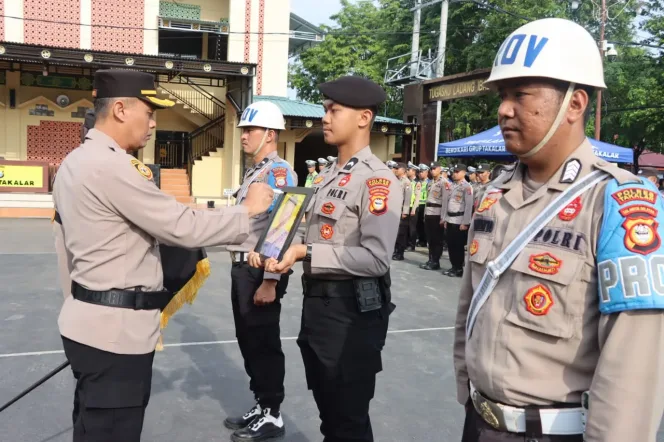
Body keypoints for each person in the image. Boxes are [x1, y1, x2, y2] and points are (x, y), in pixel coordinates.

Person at [454, 18, 664, 442]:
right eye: (502, 95)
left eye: (520, 94)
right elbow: (470, 302)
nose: (504, 109)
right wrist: (466, 386)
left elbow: (633, 365)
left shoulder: (620, 204)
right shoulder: (496, 193)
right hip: (479, 424)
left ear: (575, 103)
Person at [52, 69, 275, 442]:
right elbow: (180, 225)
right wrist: (247, 212)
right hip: (115, 334)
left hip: (88, 320)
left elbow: (63, 246)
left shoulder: (75, 161)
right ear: (120, 109)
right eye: (149, 112)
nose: (153, 122)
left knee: (92, 427)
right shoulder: (111, 167)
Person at [250, 75, 400, 442]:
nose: (325, 118)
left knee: (347, 419)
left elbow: (376, 259)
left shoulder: (377, 180)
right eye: (325, 110)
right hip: (318, 307)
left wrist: (306, 252)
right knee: (329, 414)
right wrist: (275, 253)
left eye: (334, 110)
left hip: (352, 314)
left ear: (364, 118)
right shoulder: (327, 177)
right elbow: (301, 229)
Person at [223, 101, 297, 442]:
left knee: (263, 342)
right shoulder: (255, 171)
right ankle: (261, 401)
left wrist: (270, 281)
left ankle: (273, 413)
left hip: (261, 272)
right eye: (243, 130)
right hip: (243, 268)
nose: (244, 135)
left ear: (270, 134)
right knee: (247, 339)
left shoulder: (279, 172)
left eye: (250, 130)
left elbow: (284, 228)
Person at [441, 163, 473, 277]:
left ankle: (458, 268)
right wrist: (445, 219)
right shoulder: (452, 186)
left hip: (459, 220)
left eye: (457, 172)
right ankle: (453, 266)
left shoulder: (467, 187)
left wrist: (465, 222)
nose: (454, 174)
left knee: (458, 246)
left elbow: (469, 206)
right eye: (454, 171)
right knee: (451, 245)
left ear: (464, 173)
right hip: (450, 219)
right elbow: (447, 203)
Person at [420, 162, 448, 270]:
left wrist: (443, 217)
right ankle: (430, 259)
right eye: (431, 168)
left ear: (440, 169)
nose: (432, 170)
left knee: (437, 239)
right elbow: (427, 200)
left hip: (437, 213)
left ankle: (436, 261)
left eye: (434, 168)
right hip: (429, 213)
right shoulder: (430, 182)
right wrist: (424, 214)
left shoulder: (444, 183)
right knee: (430, 239)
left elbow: (445, 201)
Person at [392, 162, 412, 260]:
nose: (396, 170)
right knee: (395, 232)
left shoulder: (406, 182)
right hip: (395, 210)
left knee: (401, 233)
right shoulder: (396, 180)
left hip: (401, 211)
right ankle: (395, 251)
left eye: (398, 168)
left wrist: (405, 211)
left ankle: (400, 253)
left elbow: (407, 199)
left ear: (403, 170)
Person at [407, 162, 421, 251]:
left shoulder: (417, 182)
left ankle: (412, 245)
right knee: (406, 227)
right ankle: (406, 243)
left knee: (412, 227)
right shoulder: (408, 181)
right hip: (407, 207)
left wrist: (414, 209)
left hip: (413, 208)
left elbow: (417, 197)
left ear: (413, 171)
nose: (407, 171)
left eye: (409, 170)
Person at [416, 163, 430, 247]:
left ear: (426, 172)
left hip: (425, 205)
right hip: (418, 204)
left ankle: (425, 240)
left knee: (425, 224)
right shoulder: (418, 182)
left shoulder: (429, 182)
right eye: (419, 172)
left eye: (422, 172)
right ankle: (421, 240)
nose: (420, 173)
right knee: (419, 224)